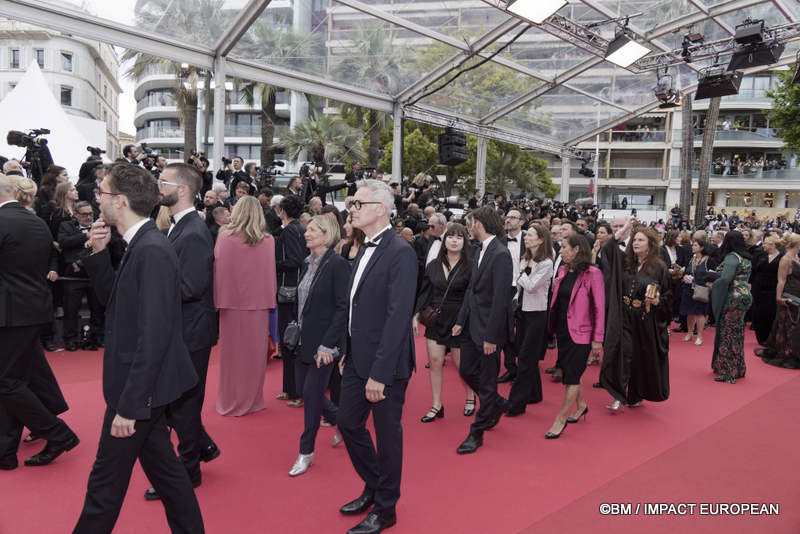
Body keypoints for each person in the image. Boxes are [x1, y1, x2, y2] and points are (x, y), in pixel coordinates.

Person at [75, 163, 203, 533]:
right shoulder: (141, 243)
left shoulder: (152, 249)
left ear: (121, 201)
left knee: (104, 484)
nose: (97, 199)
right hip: (141, 386)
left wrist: (130, 406)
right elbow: (116, 305)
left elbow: (156, 334)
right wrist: (99, 254)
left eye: (102, 193)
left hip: (137, 390)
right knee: (169, 477)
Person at [336, 179, 417, 534]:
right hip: (356, 357)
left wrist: (380, 374)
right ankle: (375, 485)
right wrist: (345, 348)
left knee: (387, 437)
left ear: (380, 210)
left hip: (385, 366)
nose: (351, 208)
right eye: (352, 203)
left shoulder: (400, 252)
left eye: (357, 203)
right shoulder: (362, 247)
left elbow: (397, 318)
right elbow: (353, 306)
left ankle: (386, 508)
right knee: (349, 423)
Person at [142, 163, 220, 501]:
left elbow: (191, 286)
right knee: (177, 404)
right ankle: (200, 449)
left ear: (183, 189)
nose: (159, 187)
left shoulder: (192, 232)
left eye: (163, 182)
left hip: (191, 333)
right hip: (182, 331)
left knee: (184, 406)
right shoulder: (180, 228)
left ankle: (188, 472)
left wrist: (150, 287)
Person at [0, 174, 78, 471]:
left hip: (10, 314)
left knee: (6, 382)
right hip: (34, 309)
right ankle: (5, 452)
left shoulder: (3, 222)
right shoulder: (37, 222)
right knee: (18, 378)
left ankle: (58, 434)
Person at [288, 215, 351, 477]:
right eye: (307, 229)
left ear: (327, 234)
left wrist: (329, 343)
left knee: (312, 396)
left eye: (312, 230)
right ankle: (344, 424)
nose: (306, 233)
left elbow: (342, 307)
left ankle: (306, 452)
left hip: (325, 344)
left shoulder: (337, 265)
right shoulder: (307, 262)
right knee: (306, 391)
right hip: (304, 340)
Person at [452, 206, 513, 454]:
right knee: (466, 370)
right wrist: (460, 319)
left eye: (470, 223)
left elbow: (501, 299)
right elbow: (472, 290)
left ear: (479, 223)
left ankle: (476, 432)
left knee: (487, 383)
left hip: (488, 331)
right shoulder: (479, 250)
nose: (468, 227)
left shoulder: (501, 254)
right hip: (471, 326)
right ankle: (496, 403)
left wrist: (492, 337)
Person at [214, 196, 277, 415]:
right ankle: (252, 400)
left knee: (231, 357)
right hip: (259, 305)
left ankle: (231, 398)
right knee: (254, 357)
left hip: (230, 304)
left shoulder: (225, 238)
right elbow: (270, 274)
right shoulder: (268, 240)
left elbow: (218, 272)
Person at [599, 220, 671, 412]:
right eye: (634, 240)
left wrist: (658, 301)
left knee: (639, 357)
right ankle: (618, 394)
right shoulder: (625, 263)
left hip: (645, 319)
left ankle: (635, 394)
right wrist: (623, 230)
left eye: (641, 240)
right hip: (623, 316)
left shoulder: (659, 267)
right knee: (622, 353)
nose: (636, 243)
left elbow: (668, 295)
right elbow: (607, 249)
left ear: (651, 244)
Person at [413, 223, 474, 423]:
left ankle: (470, 395)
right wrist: (415, 315)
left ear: (464, 242)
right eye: (451, 237)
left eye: (459, 237)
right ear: (444, 241)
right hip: (436, 319)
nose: (454, 240)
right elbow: (424, 293)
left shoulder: (471, 265)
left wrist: (462, 321)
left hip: (459, 319)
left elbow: (471, 296)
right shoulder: (432, 265)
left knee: (460, 364)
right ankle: (437, 404)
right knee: (436, 363)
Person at [545, 234, 604, 438]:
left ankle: (560, 419)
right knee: (571, 372)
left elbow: (599, 308)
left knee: (572, 376)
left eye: (564, 247)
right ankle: (581, 406)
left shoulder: (593, 274)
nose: (560, 251)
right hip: (562, 330)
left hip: (582, 335)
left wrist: (598, 339)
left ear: (577, 249)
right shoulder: (562, 270)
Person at [506, 223, 554, 415]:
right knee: (525, 354)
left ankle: (516, 404)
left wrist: (520, 274)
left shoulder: (546, 263)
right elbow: (520, 285)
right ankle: (535, 393)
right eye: (526, 235)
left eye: (531, 235)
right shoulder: (525, 258)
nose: (526, 238)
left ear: (540, 239)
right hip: (523, 311)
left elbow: (532, 286)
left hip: (537, 314)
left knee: (525, 358)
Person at [275, 194, 308, 407]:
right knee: (289, 340)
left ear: (283, 211)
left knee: (290, 339)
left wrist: (273, 262)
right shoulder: (299, 230)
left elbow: (296, 260)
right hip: (293, 290)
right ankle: (289, 389)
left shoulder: (289, 231)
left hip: (289, 292)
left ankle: (295, 391)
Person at [57, 200, 104, 351]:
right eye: (85, 214)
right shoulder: (66, 226)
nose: (89, 217)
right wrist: (86, 237)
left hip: (94, 273)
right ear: (75, 214)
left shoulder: (99, 226)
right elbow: (63, 242)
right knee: (71, 309)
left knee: (97, 309)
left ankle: (97, 337)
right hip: (73, 275)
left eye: (91, 213)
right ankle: (70, 339)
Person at [709, 231, 753, 384]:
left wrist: (713, 284)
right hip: (745, 296)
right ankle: (739, 368)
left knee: (727, 333)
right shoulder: (746, 258)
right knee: (737, 333)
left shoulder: (732, 257)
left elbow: (725, 278)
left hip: (733, 298)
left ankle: (728, 371)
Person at [756, 234, 800, 368]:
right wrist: (779, 297)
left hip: (797, 294)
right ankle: (787, 351)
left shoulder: (797, 258)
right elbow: (781, 280)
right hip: (789, 295)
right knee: (788, 324)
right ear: (797, 245)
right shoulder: (785, 259)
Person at [498, 208, 525, 383]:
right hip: (505, 289)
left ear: (522, 222)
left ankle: (523, 370)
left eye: (513, 217)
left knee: (523, 332)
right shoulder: (499, 241)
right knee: (505, 330)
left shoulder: (531, 241)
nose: (508, 220)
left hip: (526, 290)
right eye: (507, 217)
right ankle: (510, 367)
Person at [751, 235, 783, 345]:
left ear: (773, 245)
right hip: (758, 288)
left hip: (773, 289)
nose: (763, 245)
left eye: (765, 243)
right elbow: (753, 270)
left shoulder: (782, 257)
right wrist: (750, 283)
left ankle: (769, 337)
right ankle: (761, 337)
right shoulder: (761, 255)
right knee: (759, 312)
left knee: (771, 313)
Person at [679, 238, 710, 346]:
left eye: (695, 245)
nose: (693, 247)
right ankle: (690, 332)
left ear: (702, 247)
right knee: (689, 312)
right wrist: (685, 276)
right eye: (693, 245)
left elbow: (712, 275)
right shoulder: (692, 259)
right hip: (689, 289)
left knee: (700, 313)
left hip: (701, 289)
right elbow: (686, 271)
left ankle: (700, 336)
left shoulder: (708, 260)